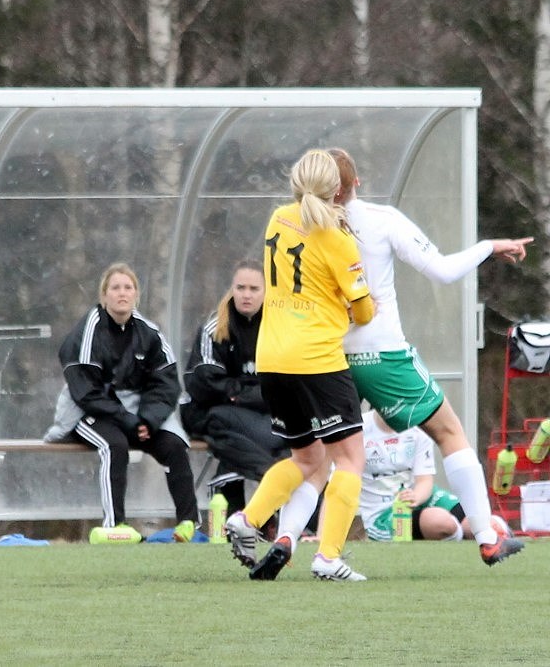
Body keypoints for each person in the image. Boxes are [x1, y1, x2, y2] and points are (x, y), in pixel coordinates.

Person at [330, 147, 528, 565]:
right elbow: (443, 270)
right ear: (356, 182)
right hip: (380, 354)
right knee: (450, 432)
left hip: (326, 354)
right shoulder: (380, 219)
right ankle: (487, 537)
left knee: (316, 456)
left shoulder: (297, 225)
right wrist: (488, 246)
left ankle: (286, 539)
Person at [225, 148, 376, 581]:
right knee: (350, 460)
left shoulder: (278, 218)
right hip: (317, 360)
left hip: (272, 359)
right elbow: (364, 311)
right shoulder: (337, 238)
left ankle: (248, 519)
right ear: (338, 190)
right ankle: (328, 556)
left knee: (307, 459)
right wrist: (353, 306)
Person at [44, 262, 199, 542]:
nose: (122, 293)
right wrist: (126, 420)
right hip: (87, 411)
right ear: (104, 295)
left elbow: (165, 382)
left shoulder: (149, 332)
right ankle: (114, 524)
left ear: (136, 294)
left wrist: (148, 419)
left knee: (174, 445)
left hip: (138, 414)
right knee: (114, 446)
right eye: (115, 288)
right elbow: (86, 391)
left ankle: (189, 523)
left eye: (128, 287)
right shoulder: (89, 330)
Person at [180, 259, 290, 514]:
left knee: (289, 433)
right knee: (227, 423)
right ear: (232, 289)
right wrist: (251, 392)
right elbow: (205, 384)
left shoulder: (278, 328)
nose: (246, 295)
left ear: (267, 292)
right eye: (240, 288)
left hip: (255, 413)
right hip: (210, 412)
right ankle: (271, 477)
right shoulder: (215, 328)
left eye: (254, 289)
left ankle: (249, 515)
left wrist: (240, 392)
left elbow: (285, 384)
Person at [358, 410, 512, 542]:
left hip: (421, 496)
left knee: (477, 523)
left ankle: (502, 535)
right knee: (441, 523)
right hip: (382, 513)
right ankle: (455, 542)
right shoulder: (358, 429)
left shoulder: (417, 428)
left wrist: (416, 496)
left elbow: (425, 480)